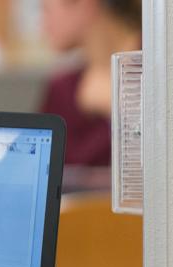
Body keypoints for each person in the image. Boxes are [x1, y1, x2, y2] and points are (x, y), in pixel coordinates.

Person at [39, 0, 140, 166]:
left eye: (46, 10)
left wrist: (118, 104)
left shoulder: (159, 65)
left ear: (86, 4)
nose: (41, 26)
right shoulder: (62, 89)